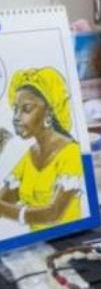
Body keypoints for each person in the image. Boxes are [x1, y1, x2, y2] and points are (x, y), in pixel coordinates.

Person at [0, 68, 85, 230]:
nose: (16, 117)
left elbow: (53, 213)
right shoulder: (30, 155)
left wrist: (7, 210)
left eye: (26, 109)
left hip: (70, 239)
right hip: (37, 242)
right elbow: (4, 200)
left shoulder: (71, 153)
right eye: (15, 109)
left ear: (49, 112)